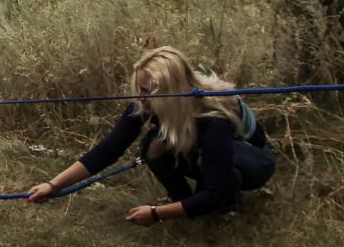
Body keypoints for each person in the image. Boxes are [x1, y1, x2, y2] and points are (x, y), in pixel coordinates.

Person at [25, 46, 274, 225]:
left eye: (146, 91)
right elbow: (109, 150)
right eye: (138, 89)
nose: (139, 97)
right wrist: (53, 184)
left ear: (169, 90)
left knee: (214, 184)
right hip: (206, 149)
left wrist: (156, 213)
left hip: (253, 160)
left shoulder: (213, 117)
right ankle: (183, 201)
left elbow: (215, 191)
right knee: (154, 147)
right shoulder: (149, 104)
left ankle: (228, 204)